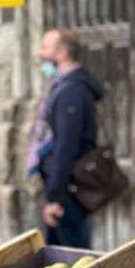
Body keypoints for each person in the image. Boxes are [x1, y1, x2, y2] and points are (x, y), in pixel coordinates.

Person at [32, 28, 103, 249]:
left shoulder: (71, 91)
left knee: (75, 262)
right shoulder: (63, 87)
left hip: (67, 190)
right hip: (63, 187)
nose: (40, 54)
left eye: (45, 47)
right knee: (58, 260)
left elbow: (66, 146)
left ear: (62, 53)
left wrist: (55, 197)